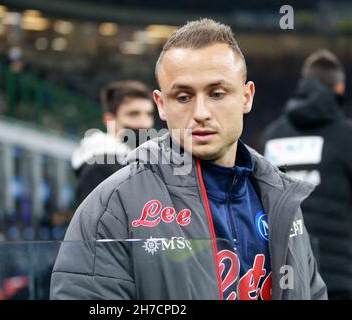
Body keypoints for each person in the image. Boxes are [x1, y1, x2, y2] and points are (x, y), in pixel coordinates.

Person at [51, 18, 327, 300]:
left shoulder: (281, 198)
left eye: (217, 93)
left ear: (247, 97)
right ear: (161, 105)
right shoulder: (112, 207)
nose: (201, 113)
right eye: (183, 97)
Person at [261, 49, 352, 300]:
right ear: (339, 88)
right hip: (336, 274)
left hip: (284, 274)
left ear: (303, 86)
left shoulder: (272, 136)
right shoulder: (350, 136)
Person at [71, 80, 154, 205]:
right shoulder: (99, 166)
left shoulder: (140, 160)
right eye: (133, 114)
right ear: (109, 120)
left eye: (148, 114)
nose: (144, 123)